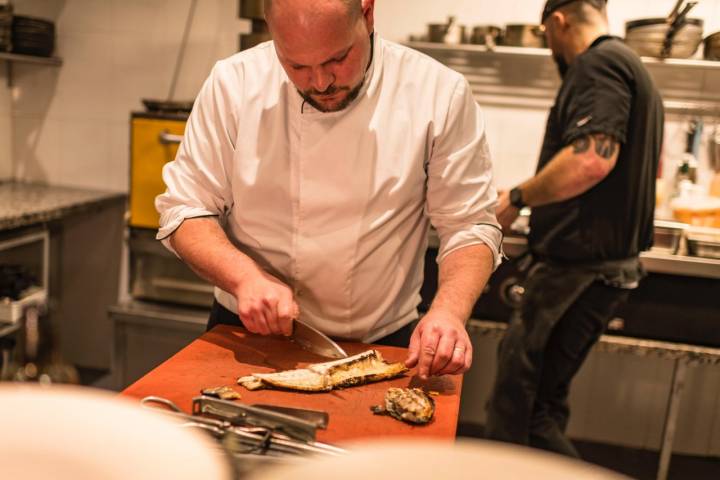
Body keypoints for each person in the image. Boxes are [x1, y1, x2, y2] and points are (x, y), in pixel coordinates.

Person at [155, 0, 502, 380]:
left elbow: (469, 226)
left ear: (367, 14)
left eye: (338, 59)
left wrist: (449, 311)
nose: (320, 83)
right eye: (297, 66)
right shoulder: (233, 83)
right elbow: (185, 211)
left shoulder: (437, 92)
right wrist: (244, 278)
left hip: (381, 342)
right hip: (247, 334)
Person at [485, 0, 663, 457]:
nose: (550, 46)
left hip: (576, 272)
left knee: (520, 416)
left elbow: (590, 160)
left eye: (546, 34)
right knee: (541, 407)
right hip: (599, 270)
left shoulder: (597, 64)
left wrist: (517, 197)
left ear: (558, 22)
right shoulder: (631, 67)